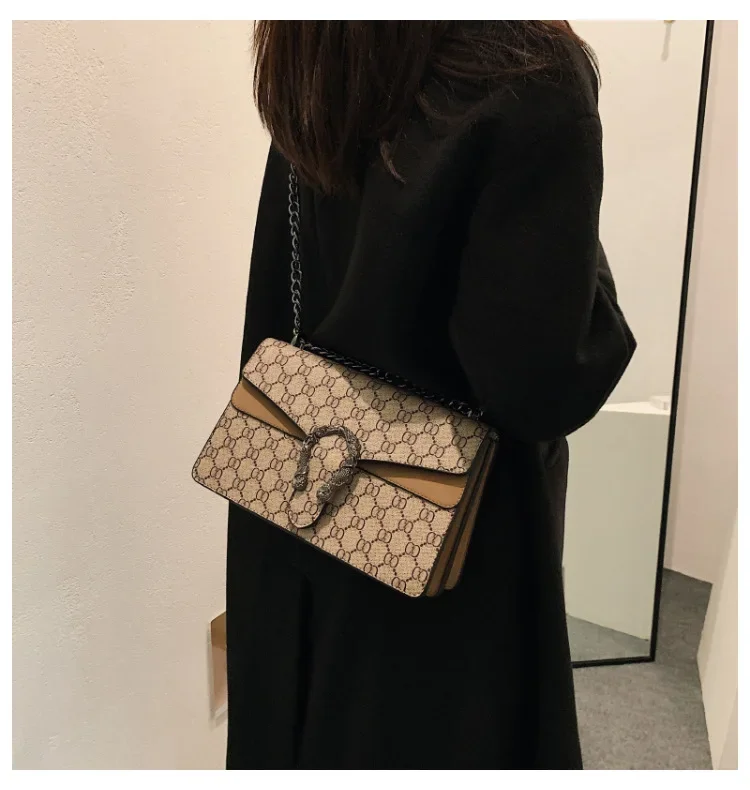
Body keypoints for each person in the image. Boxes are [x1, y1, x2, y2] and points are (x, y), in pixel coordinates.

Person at [225, 21, 635, 769]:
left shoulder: (316, 50)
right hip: (448, 552)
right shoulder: (529, 72)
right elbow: (542, 384)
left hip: (298, 500)